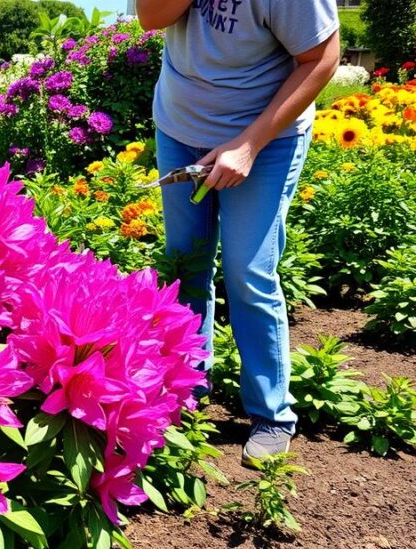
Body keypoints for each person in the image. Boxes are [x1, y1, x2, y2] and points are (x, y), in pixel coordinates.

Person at [136, 0, 340, 464]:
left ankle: (273, 415)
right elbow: (151, 17)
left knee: (248, 270)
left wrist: (249, 144)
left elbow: (322, 58)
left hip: (263, 140)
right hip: (181, 129)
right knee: (185, 263)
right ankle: (187, 390)